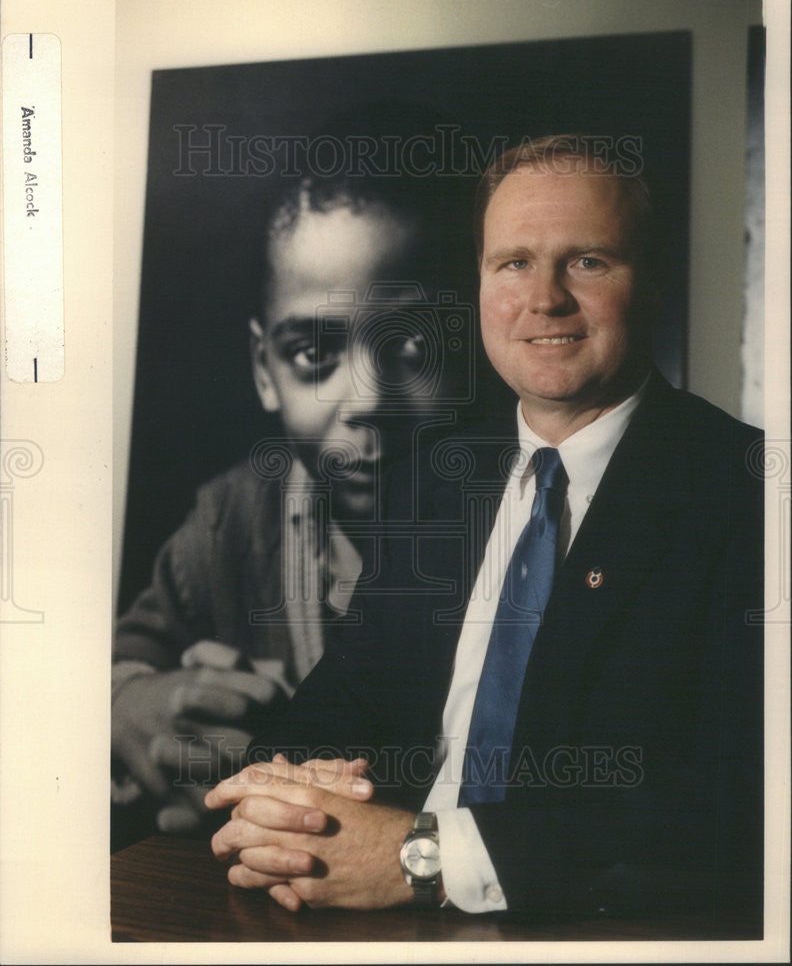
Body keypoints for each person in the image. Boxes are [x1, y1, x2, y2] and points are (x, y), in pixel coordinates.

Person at [204, 134, 764, 927]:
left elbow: (729, 807)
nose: (544, 299)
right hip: (376, 924)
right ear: (479, 285)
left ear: (657, 277)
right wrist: (281, 803)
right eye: (513, 264)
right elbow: (340, 704)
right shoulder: (435, 480)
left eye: (588, 261)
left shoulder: (746, 495)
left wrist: (421, 857)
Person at [111, 157, 479, 843]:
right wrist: (132, 701)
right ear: (264, 371)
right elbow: (107, 664)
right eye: (314, 354)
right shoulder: (232, 523)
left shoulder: (533, 523)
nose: (369, 401)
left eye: (411, 344)